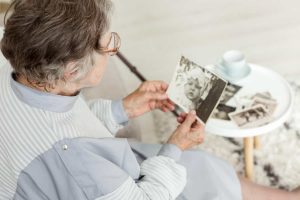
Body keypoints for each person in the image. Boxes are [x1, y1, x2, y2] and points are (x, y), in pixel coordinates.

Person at [0, 0, 299, 199]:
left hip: (95, 171)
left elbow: (71, 125)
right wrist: (176, 146)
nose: (113, 50)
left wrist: (121, 109)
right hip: (115, 188)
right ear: (71, 70)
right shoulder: (71, 157)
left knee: (202, 167)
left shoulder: (21, 66)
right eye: (109, 46)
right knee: (199, 174)